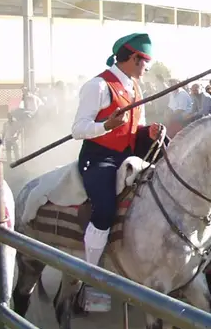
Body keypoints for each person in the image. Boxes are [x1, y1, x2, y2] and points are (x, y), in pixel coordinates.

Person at [70, 33, 165, 311]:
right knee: (105, 210)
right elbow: (78, 129)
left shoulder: (136, 88)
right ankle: (91, 278)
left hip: (129, 157)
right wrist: (106, 126)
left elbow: (138, 126)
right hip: (99, 159)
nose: (147, 67)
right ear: (134, 58)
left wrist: (150, 131)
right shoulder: (98, 86)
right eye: (145, 61)